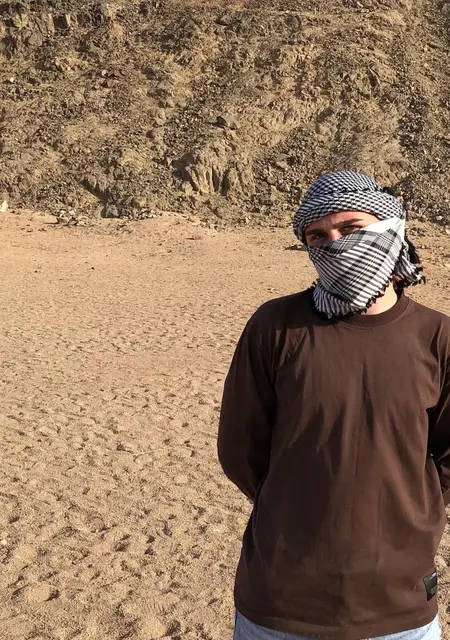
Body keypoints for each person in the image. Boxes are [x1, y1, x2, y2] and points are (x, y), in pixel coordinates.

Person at [217, 171, 450, 640]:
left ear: (391, 228)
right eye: (318, 236)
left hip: (398, 605)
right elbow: (241, 449)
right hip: (280, 601)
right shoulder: (276, 326)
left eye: (351, 227)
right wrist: (299, 501)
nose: (334, 243)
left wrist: (408, 510)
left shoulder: (437, 337)